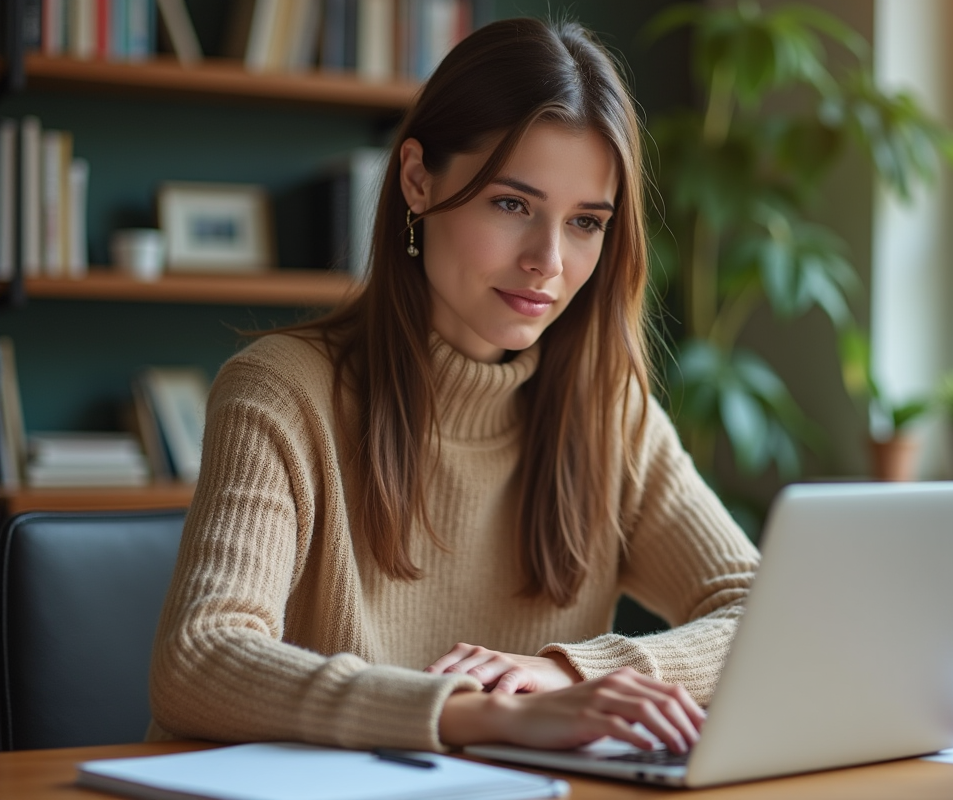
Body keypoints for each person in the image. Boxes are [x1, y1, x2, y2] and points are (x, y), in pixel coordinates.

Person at [148, 17, 759, 757]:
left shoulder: (609, 414)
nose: (549, 261)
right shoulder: (280, 392)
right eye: (512, 205)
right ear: (417, 180)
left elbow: (761, 609)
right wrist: (479, 715)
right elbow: (201, 657)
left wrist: (568, 674)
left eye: (586, 224)